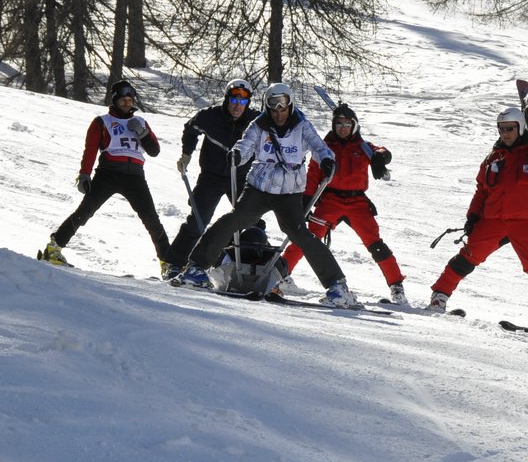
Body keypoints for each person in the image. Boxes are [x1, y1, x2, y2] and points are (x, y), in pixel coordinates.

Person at [175, 82, 359, 308]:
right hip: (259, 187)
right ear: (267, 107)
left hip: (289, 191)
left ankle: (337, 286)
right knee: (234, 220)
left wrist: (328, 160)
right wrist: (237, 155)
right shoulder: (259, 124)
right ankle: (195, 268)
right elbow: (246, 144)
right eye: (274, 109)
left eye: (283, 108)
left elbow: (319, 147)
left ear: (290, 105)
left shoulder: (301, 125)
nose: (279, 114)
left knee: (300, 233)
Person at [427, 106, 528, 315]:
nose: (504, 133)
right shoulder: (493, 158)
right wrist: (473, 216)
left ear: (520, 128)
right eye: (501, 129)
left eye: (509, 128)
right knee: (467, 256)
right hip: (493, 220)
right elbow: (482, 190)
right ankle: (439, 296)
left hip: (526, 222)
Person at [280, 102, 407, 303]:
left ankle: (397, 286)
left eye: (347, 124)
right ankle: (280, 276)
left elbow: (382, 151)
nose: (343, 128)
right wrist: (305, 200)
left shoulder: (363, 147)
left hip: (358, 203)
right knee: (306, 238)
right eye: (338, 124)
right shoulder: (324, 147)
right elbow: (313, 175)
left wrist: (381, 156)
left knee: (376, 245)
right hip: (330, 200)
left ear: (354, 126)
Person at [40, 80, 170, 271]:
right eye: (123, 100)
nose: (127, 103)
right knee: (84, 212)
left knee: (151, 219)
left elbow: (154, 151)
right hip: (108, 173)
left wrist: (142, 133)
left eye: (130, 99)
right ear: (115, 101)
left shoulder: (140, 122)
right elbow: (91, 149)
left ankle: (168, 263)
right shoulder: (102, 121)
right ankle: (53, 248)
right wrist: (85, 174)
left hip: (135, 177)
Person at [161, 79, 258, 280]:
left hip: (241, 178)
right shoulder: (210, 116)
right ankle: (174, 264)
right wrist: (186, 154)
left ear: (248, 103)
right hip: (211, 177)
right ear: (226, 99)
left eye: (242, 102)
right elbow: (190, 130)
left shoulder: (255, 121)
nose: (237, 106)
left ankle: (247, 267)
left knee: (251, 221)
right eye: (233, 100)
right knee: (198, 220)